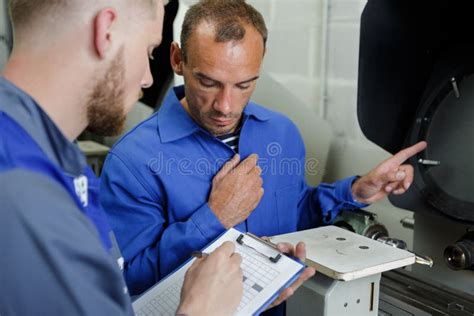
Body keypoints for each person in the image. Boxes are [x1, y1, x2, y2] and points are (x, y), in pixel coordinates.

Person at [100, 0, 426, 312]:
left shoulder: (281, 134)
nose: (225, 106)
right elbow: (127, 281)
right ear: (177, 59)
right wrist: (214, 217)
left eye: (244, 84)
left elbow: (296, 213)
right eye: (208, 82)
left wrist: (355, 192)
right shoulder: (133, 160)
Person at [0, 0, 311, 315]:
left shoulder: (61, 165)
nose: (149, 78)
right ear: (105, 31)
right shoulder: (22, 186)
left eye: (243, 84)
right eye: (149, 51)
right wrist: (200, 308)